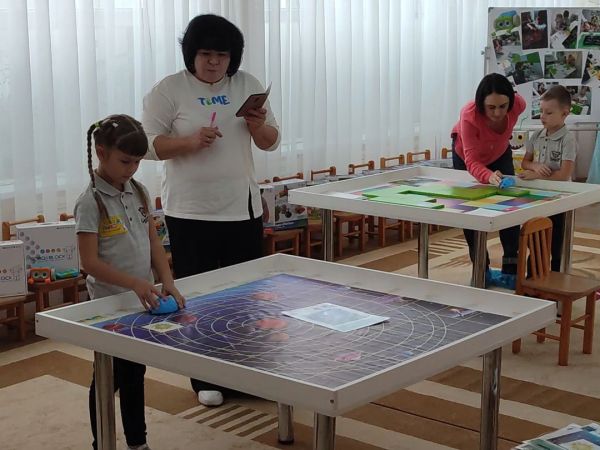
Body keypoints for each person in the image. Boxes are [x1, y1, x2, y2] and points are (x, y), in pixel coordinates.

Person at [142, 14, 280, 407]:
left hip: (242, 208)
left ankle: (246, 369)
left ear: (233, 58)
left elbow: (271, 141)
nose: (214, 62)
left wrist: (256, 126)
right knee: (199, 295)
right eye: (206, 54)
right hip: (190, 212)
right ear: (191, 54)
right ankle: (204, 377)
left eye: (222, 55)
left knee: (246, 294)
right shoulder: (169, 89)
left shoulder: (247, 85)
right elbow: (147, 145)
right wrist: (188, 142)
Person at [74, 114, 186, 450]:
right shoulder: (90, 202)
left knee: (135, 373)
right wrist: (135, 283)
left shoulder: (138, 190)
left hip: (143, 302)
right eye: (125, 161)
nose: (132, 169)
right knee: (107, 378)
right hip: (109, 306)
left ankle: (138, 442)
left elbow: (153, 242)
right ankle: (103, 442)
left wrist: (167, 280)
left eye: (137, 162)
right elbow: (90, 263)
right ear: (101, 152)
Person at [450, 73, 526, 289]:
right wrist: (489, 176)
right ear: (480, 104)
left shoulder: (518, 104)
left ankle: (511, 269)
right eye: (491, 107)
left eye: (503, 106)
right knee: (470, 209)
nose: (498, 113)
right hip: (467, 156)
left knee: (510, 206)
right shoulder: (469, 115)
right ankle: (481, 269)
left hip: (500, 152)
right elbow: (472, 162)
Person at [520, 85, 576, 271]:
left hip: (560, 199)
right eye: (541, 111)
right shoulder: (536, 135)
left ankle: (556, 277)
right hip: (537, 197)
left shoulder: (568, 139)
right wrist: (535, 166)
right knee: (535, 238)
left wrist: (536, 175)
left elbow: (564, 175)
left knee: (556, 242)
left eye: (549, 112)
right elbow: (525, 162)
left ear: (564, 114)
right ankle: (533, 277)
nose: (542, 116)